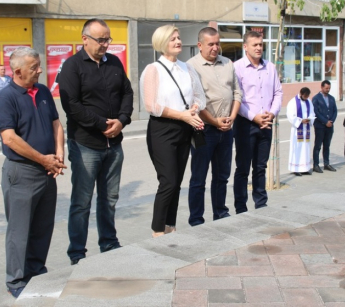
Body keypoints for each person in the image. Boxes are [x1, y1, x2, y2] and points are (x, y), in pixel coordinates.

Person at [58, 18, 134, 265]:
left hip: (114, 144)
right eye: (100, 40)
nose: (105, 44)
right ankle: (77, 252)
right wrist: (103, 125)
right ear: (85, 39)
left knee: (109, 198)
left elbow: (127, 92)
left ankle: (109, 242)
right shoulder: (72, 67)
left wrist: (122, 120)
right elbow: (72, 107)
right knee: (81, 202)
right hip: (86, 145)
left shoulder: (114, 62)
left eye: (107, 39)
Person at [0, 47, 66, 299]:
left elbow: (57, 123)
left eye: (39, 65)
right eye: (34, 67)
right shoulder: (5, 97)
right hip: (22, 172)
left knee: (43, 226)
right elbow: (10, 139)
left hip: (47, 170)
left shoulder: (44, 91)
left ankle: (36, 270)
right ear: (18, 71)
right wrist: (43, 160)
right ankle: (15, 279)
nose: (39, 70)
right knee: (19, 229)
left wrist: (58, 153)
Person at [140, 25, 206, 237]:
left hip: (185, 129)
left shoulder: (187, 68)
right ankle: (157, 230)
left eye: (178, 38)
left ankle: (170, 226)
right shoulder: (153, 69)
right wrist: (183, 115)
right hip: (162, 130)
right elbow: (152, 106)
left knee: (176, 181)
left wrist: (194, 109)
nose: (178, 42)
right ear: (162, 43)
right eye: (172, 39)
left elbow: (198, 96)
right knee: (167, 180)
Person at [186, 27, 242, 226]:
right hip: (204, 130)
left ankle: (220, 213)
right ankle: (196, 220)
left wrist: (231, 118)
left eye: (217, 43)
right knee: (199, 178)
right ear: (200, 45)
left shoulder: (228, 63)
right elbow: (195, 101)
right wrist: (214, 121)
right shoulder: (190, 67)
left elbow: (237, 93)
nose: (215, 48)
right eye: (211, 44)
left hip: (226, 129)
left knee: (222, 176)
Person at [233, 31, 282, 213]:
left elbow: (278, 92)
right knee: (243, 168)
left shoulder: (270, 67)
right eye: (255, 45)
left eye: (261, 44)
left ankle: (261, 204)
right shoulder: (237, 68)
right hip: (246, 124)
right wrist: (253, 116)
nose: (259, 48)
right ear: (245, 47)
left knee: (261, 167)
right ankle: (240, 207)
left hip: (266, 123)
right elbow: (236, 98)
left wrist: (273, 113)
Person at [287, 87, 316, 176]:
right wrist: (300, 120)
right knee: (297, 148)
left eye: (307, 96)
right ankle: (296, 168)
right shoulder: (293, 102)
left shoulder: (309, 102)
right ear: (301, 93)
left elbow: (312, 112)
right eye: (305, 96)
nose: (306, 98)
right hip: (297, 130)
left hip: (306, 129)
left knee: (306, 148)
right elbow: (290, 115)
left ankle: (305, 168)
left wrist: (309, 119)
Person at [311, 80, 338, 173]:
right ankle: (316, 165)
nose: (328, 90)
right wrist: (325, 121)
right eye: (326, 88)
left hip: (329, 126)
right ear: (322, 87)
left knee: (327, 145)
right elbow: (316, 112)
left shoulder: (331, 98)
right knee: (318, 145)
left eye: (329, 88)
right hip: (320, 126)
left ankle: (326, 163)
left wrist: (331, 121)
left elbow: (335, 111)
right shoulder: (316, 98)